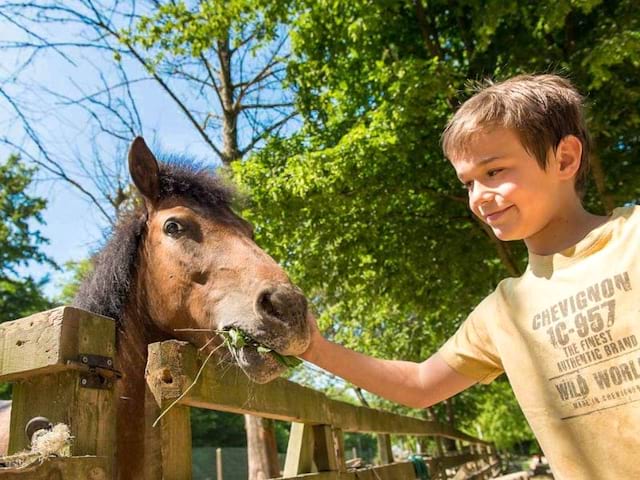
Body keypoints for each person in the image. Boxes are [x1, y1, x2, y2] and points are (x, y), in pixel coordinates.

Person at [299, 74, 640, 479]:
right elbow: (420, 384)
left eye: (494, 171)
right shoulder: (503, 310)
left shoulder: (632, 239)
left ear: (564, 159)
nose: (478, 196)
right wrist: (311, 346)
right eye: (468, 182)